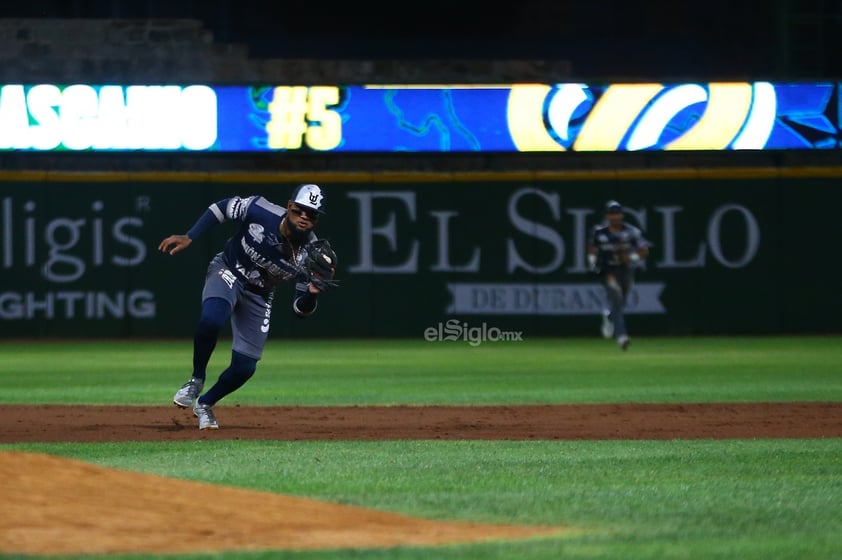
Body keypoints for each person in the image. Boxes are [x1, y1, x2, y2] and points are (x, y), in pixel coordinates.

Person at [158, 184, 337, 429]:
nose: (304, 216)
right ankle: (196, 379)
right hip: (229, 269)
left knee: (245, 366)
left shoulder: (312, 254)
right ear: (289, 207)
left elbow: (300, 310)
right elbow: (221, 209)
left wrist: (312, 295)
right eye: (300, 210)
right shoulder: (260, 209)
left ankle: (205, 404)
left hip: (260, 294)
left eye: (312, 213)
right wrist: (191, 235)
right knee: (211, 320)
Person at [587, 200, 650, 351]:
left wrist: (631, 258)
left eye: (617, 213)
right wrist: (592, 262)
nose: (614, 217)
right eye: (611, 214)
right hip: (607, 270)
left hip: (625, 270)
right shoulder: (599, 232)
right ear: (607, 216)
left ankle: (609, 316)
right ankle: (621, 336)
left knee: (620, 303)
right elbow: (592, 249)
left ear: (622, 215)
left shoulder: (631, 232)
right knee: (616, 294)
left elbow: (644, 251)